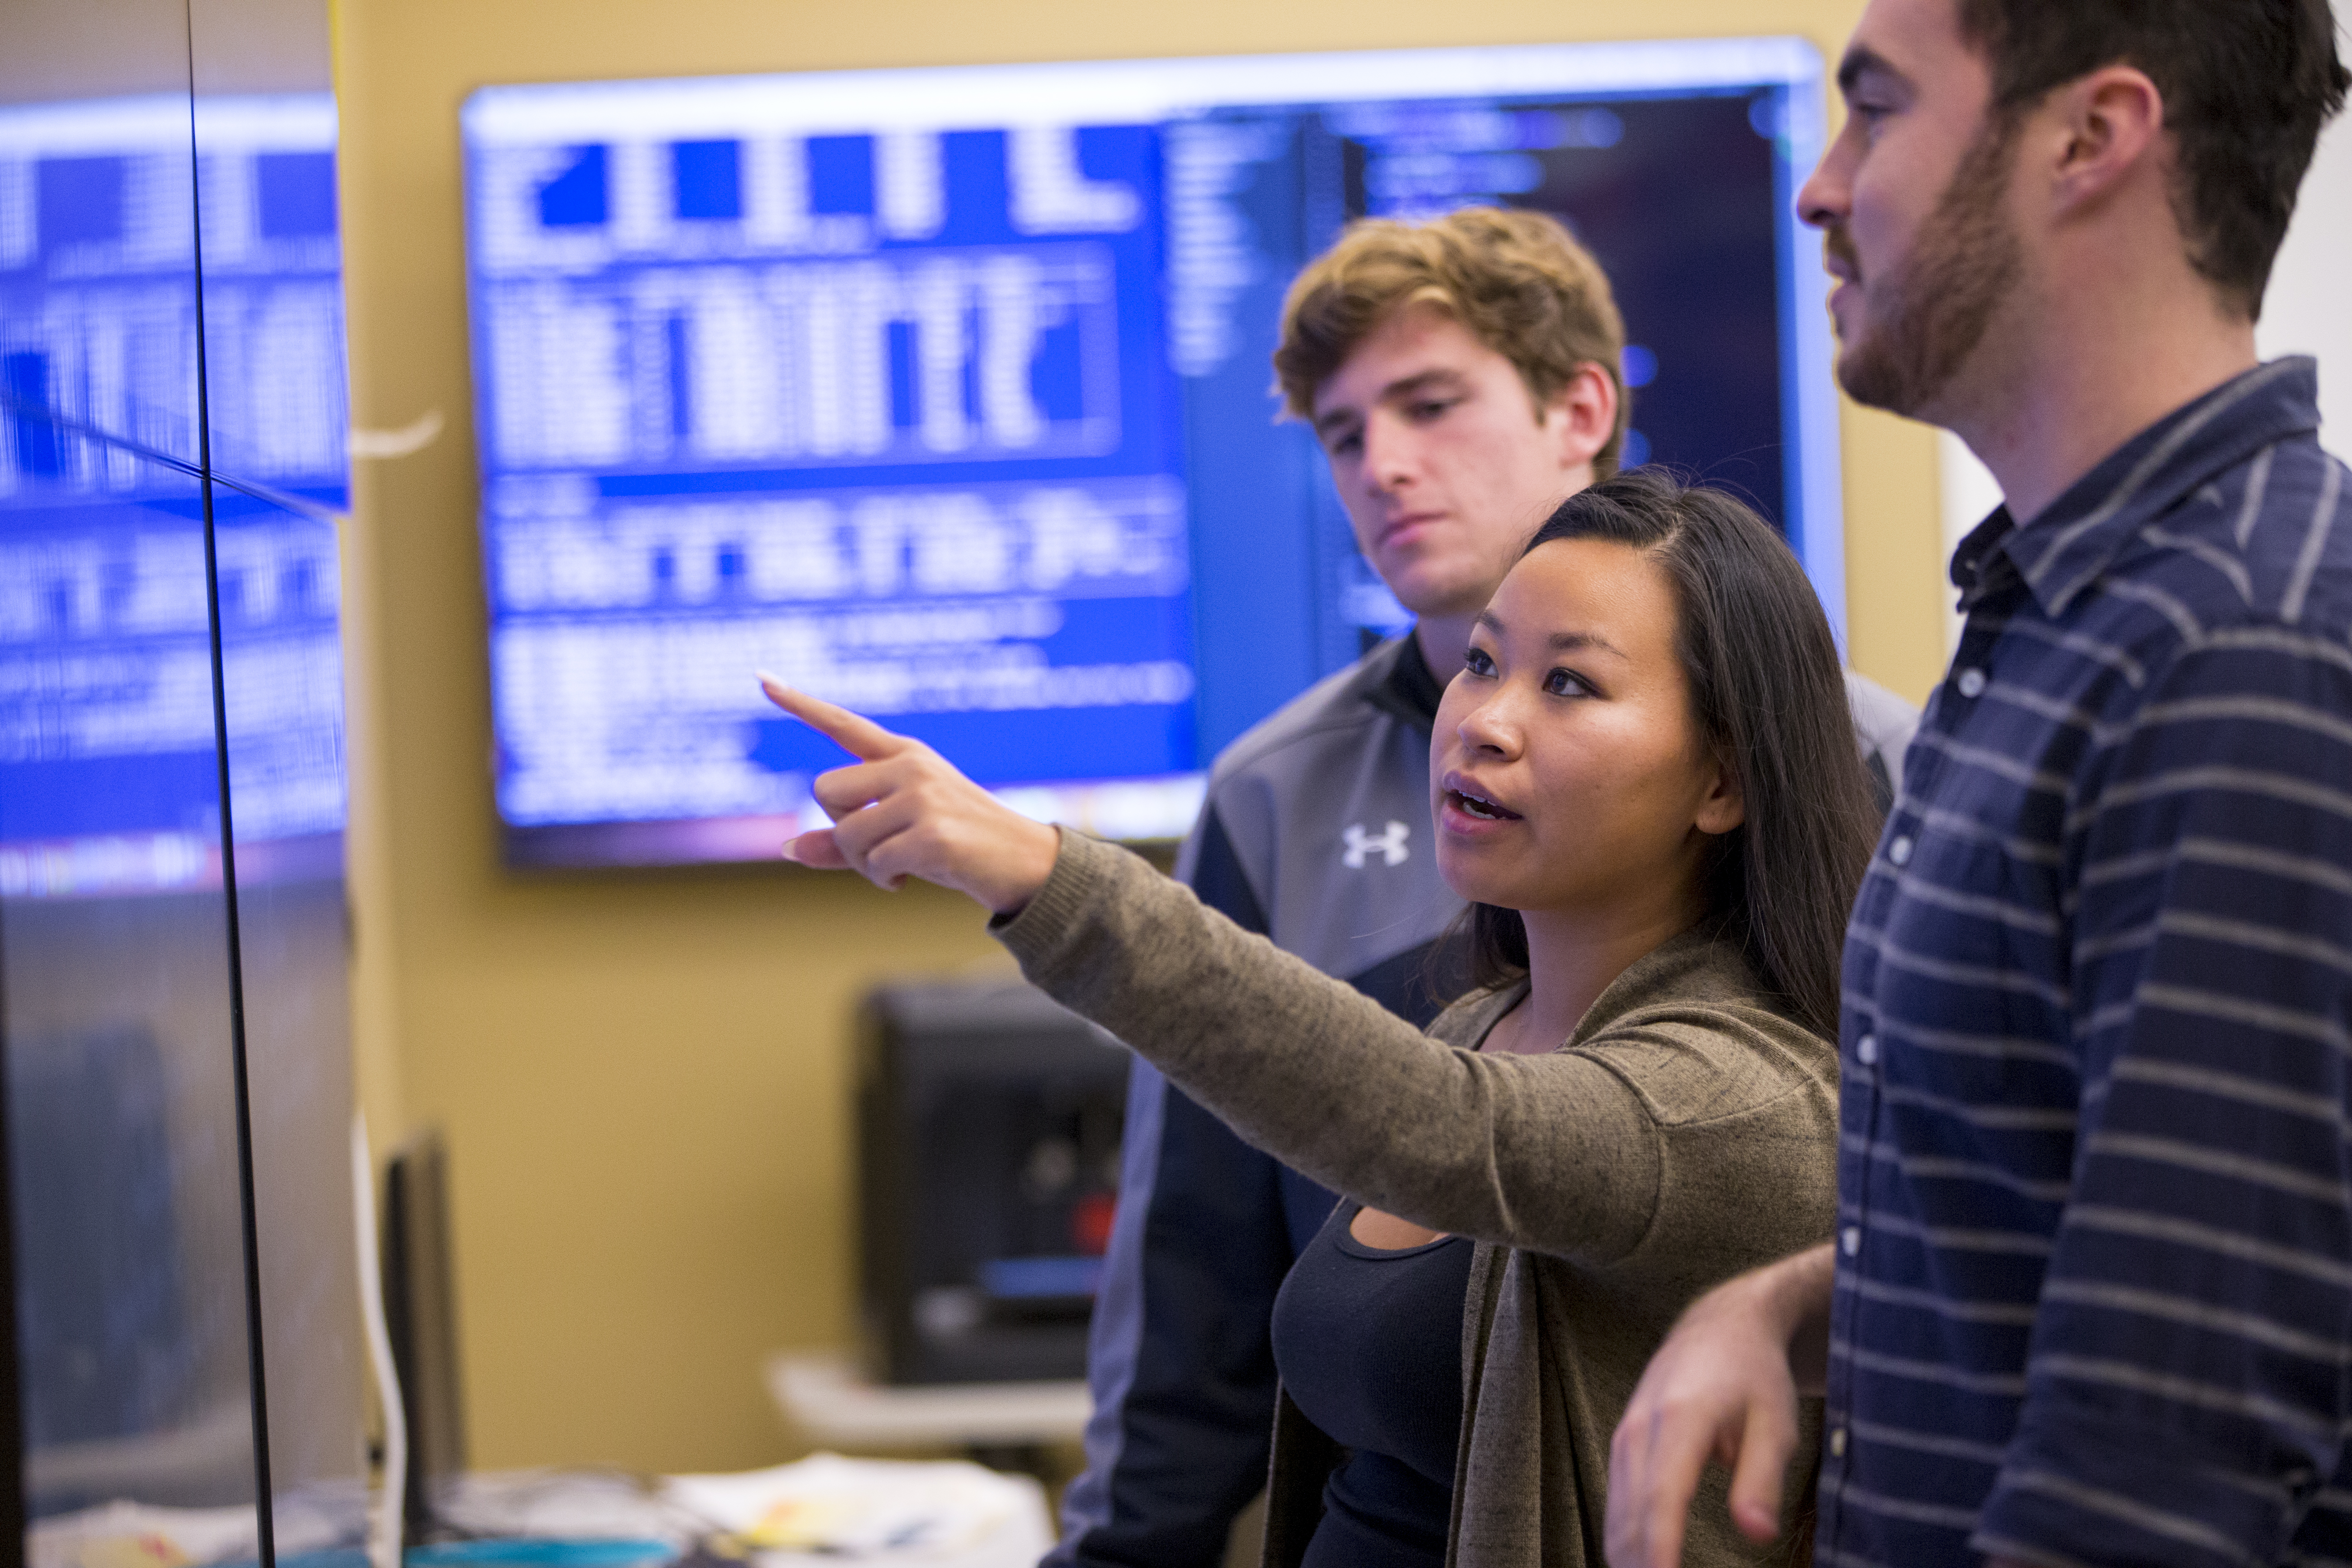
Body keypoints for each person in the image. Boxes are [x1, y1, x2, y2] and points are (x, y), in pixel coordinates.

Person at [762, 467, 1879, 1565]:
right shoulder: (1482, 1022)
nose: (1485, 721)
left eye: (1571, 685)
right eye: (1482, 662)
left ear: (1722, 783)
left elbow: (1445, 1126)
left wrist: (1043, 874)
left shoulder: (1738, 1095)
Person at [1060, 206, 1920, 1568]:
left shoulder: (1868, 763)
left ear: (1582, 407)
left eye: (1431, 404)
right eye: (1345, 435)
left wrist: (1040, 880)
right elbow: (1196, 1288)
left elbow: (1448, 1126)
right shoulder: (1274, 793)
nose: (1385, 467)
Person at [1603, 3, 2352, 1567]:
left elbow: (2161, 1462)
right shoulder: (2068, 610)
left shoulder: (2235, 647)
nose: (1817, 188)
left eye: (1874, 111)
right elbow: (2092, 1207)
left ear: (2090, 138)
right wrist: (1793, 1304)